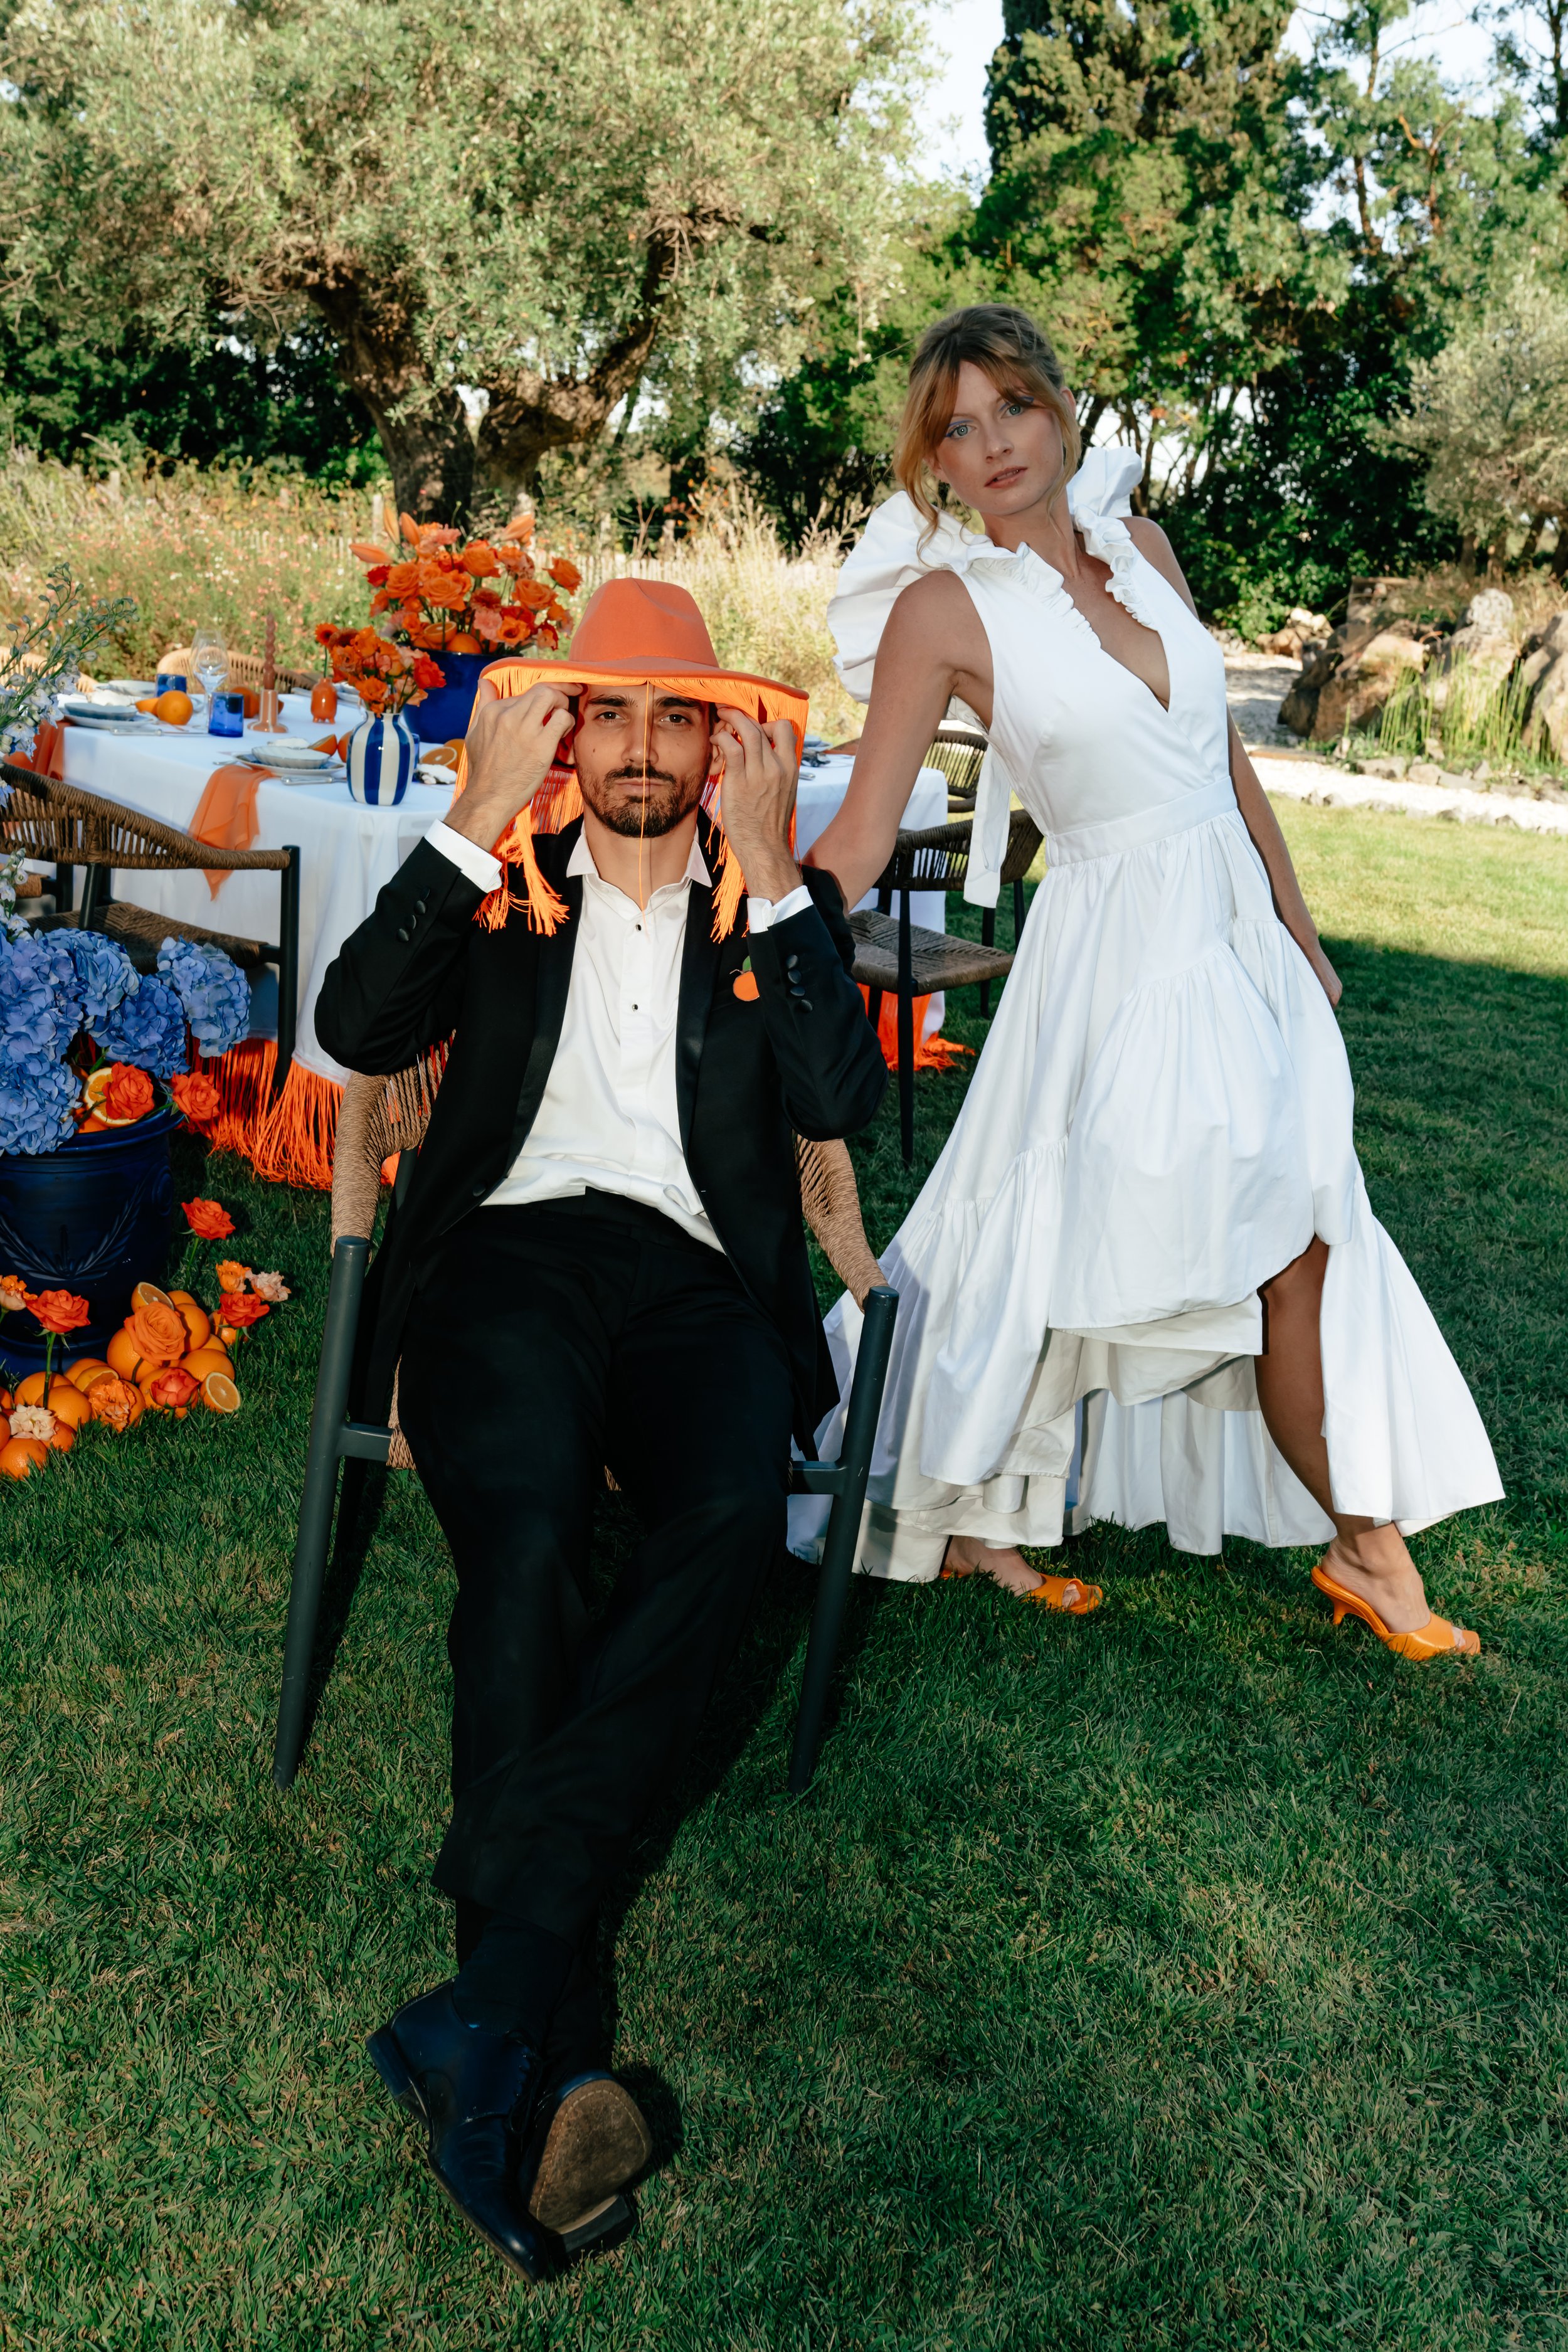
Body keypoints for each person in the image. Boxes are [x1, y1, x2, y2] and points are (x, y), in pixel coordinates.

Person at [314, 578, 886, 2281]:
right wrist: (475, 813)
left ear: (720, 743)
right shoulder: (498, 892)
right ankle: (535, 2033)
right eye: (609, 715)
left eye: (675, 717)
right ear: (568, 735)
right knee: (531, 1525)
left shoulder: (764, 903)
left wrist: (778, 873)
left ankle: (491, 2011)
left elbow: (839, 1103)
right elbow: (354, 1027)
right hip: (503, 1260)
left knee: (723, 1511)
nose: (640, 747)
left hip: (703, 1282)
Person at [802, 302, 1502, 1645]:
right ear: (931, 464)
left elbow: (1221, 763)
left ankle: (996, 1515)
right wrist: (761, 920)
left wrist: (1297, 937)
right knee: (1229, 1240)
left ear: (1062, 410)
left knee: (1256, 1231)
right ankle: (1365, 1549)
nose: (991, 443)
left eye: (1010, 406)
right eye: (955, 428)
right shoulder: (943, 609)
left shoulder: (1144, 549)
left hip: (1236, 944)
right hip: (1114, 963)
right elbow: (861, 832)